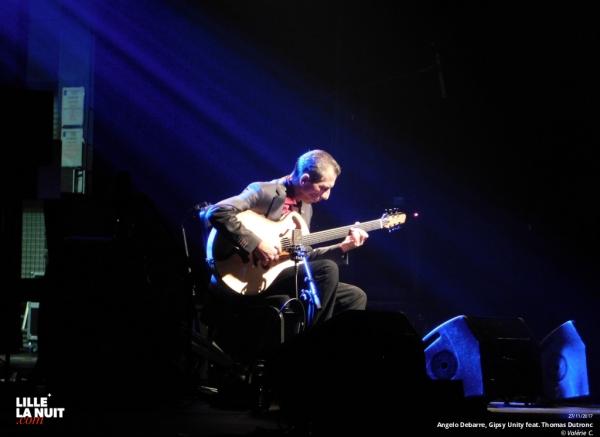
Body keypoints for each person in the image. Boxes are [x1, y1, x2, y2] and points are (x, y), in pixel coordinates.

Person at [206, 149, 368, 325]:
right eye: (323, 188)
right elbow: (217, 211)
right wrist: (256, 244)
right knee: (327, 270)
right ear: (304, 179)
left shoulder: (306, 208)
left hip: (281, 275)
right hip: (246, 276)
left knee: (355, 296)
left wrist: (343, 247)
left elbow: (302, 256)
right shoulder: (264, 191)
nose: (326, 196)